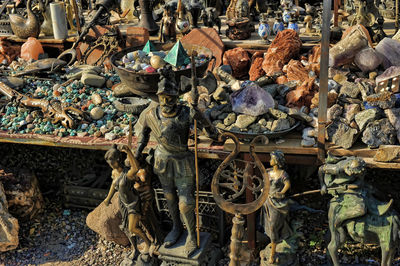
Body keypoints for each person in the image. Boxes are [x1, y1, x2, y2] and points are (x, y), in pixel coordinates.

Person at [135, 67, 218, 257]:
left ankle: (191, 235)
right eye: (162, 97)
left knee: (185, 202)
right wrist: (138, 152)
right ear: (158, 96)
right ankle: (176, 227)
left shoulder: (186, 113)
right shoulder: (150, 115)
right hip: (163, 161)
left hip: (183, 162)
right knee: (169, 197)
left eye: (170, 97)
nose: (166, 102)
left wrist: (206, 124)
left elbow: (209, 128)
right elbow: (143, 136)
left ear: (177, 96)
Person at [103, 144, 153, 259]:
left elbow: (135, 168)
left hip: (133, 203)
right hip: (123, 202)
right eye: (108, 163)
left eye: (112, 162)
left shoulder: (128, 174)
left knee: (132, 227)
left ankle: (148, 243)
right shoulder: (114, 173)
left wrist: (128, 151)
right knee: (126, 228)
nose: (111, 165)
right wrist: (108, 198)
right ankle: (135, 249)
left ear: (118, 160)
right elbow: (113, 185)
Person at [319, 154, 367, 229]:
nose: (352, 174)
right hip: (334, 184)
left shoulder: (361, 166)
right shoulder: (336, 169)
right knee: (361, 209)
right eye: (351, 172)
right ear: (347, 168)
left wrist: (352, 186)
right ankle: (340, 218)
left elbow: (360, 181)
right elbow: (321, 169)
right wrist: (322, 185)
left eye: (355, 173)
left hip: (347, 185)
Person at [263, 150, 292, 264]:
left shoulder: (283, 174)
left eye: (272, 159)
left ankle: (273, 253)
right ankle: (273, 244)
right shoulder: (268, 172)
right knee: (268, 225)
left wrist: (281, 192)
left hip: (277, 204)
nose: (270, 160)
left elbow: (287, 184)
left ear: (276, 161)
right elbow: (264, 184)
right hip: (267, 202)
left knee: (273, 226)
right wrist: (263, 190)